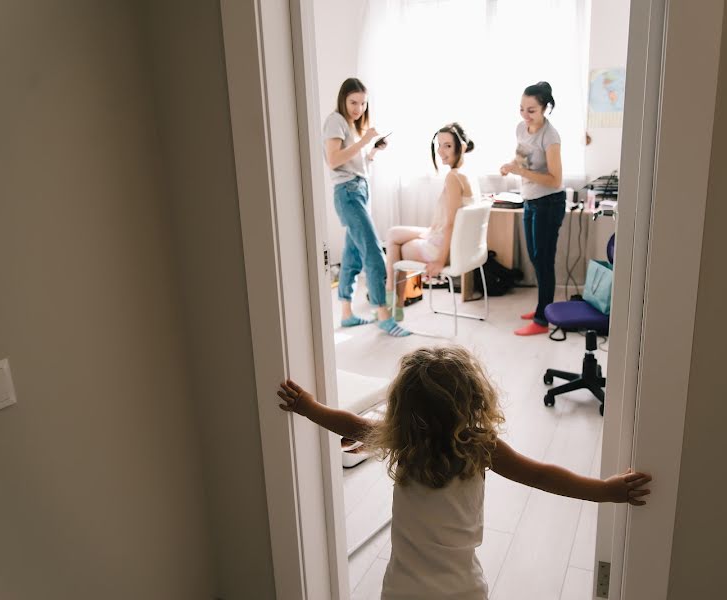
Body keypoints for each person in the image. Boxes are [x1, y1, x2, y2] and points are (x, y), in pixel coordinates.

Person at [277, 346, 652, 600]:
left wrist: (308, 407)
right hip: (462, 590)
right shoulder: (480, 447)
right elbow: (544, 476)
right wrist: (605, 490)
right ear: (473, 399)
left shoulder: (404, 440)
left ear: (403, 407)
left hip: (402, 588)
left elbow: (351, 423)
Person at [323, 77, 410, 337]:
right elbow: (333, 160)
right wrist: (363, 141)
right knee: (374, 252)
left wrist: (372, 152)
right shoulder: (335, 120)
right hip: (348, 193)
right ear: (343, 99)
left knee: (352, 256)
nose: (358, 108)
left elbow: (355, 165)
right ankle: (383, 314)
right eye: (353, 102)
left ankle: (347, 313)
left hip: (359, 190)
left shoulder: (351, 125)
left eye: (363, 103)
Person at [384, 123, 476, 321]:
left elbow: (451, 222)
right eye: (439, 145)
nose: (441, 151)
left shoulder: (454, 177)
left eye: (448, 146)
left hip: (442, 247)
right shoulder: (468, 175)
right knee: (392, 234)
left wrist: (440, 261)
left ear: (461, 147)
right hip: (447, 240)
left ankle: (391, 303)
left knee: (397, 248)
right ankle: (392, 301)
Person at [500, 81, 565, 336]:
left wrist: (520, 171)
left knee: (544, 260)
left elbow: (555, 179)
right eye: (521, 109)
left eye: (532, 110)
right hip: (529, 199)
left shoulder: (551, 137)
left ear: (545, 108)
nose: (525, 115)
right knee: (536, 258)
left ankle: (541, 320)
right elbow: (522, 160)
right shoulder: (521, 128)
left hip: (549, 203)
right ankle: (544, 307)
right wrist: (510, 166)